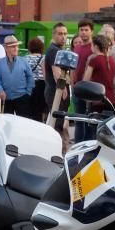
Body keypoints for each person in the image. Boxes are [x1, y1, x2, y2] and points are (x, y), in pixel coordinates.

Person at [44, 22, 71, 150]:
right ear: (54, 35)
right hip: (56, 92)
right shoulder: (54, 50)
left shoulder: (57, 50)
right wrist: (63, 88)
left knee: (59, 121)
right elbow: (56, 72)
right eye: (60, 34)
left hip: (54, 90)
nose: (63, 37)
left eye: (65, 34)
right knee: (58, 123)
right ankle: (59, 151)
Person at [0, 35, 34, 118]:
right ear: (6, 48)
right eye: (13, 47)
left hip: (22, 98)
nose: (16, 49)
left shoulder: (23, 61)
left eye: (17, 46)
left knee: (22, 123)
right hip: (6, 99)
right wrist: (0, 91)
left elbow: (30, 78)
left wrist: (28, 93)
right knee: (7, 125)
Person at [82, 34, 115, 121]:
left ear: (96, 46)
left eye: (92, 45)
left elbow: (85, 80)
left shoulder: (94, 60)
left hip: (98, 100)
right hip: (110, 99)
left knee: (95, 128)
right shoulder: (111, 60)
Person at [71, 19, 94, 143]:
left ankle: (88, 146)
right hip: (77, 88)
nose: (84, 32)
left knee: (89, 121)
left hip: (90, 89)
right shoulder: (77, 48)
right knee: (78, 120)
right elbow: (74, 67)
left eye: (86, 30)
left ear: (91, 32)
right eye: (81, 30)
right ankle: (77, 145)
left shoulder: (93, 47)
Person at [100, 25, 115, 108]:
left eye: (108, 33)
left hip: (113, 97)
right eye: (104, 32)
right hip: (97, 97)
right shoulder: (94, 54)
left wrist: (106, 86)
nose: (105, 35)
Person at [26, 37, 47, 121]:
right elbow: (46, 75)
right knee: (39, 111)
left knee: (29, 111)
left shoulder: (25, 59)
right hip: (41, 86)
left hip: (29, 86)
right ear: (41, 47)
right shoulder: (44, 58)